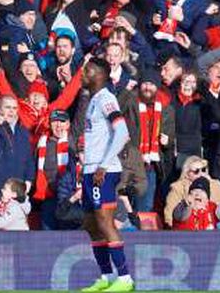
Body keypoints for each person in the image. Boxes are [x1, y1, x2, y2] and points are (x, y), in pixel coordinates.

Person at [80, 58, 133, 292]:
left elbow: (122, 132)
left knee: (104, 220)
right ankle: (107, 276)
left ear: (100, 74)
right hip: (90, 169)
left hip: (103, 170)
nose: (83, 73)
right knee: (91, 223)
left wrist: (103, 164)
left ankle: (124, 278)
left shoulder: (107, 99)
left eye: (88, 70)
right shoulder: (92, 100)